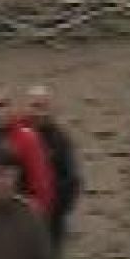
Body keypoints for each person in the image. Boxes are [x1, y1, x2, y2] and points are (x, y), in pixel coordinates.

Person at [0, 85, 54, 224]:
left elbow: (42, 189)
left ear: (12, 106)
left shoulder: (27, 138)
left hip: (21, 218)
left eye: (1, 105)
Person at [25, 85, 80, 249]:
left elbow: (71, 180)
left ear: (50, 110)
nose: (38, 113)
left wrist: (54, 210)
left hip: (50, 221)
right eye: (34, 106)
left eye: (42, 107)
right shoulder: (18, 137)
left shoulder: (60, 141)